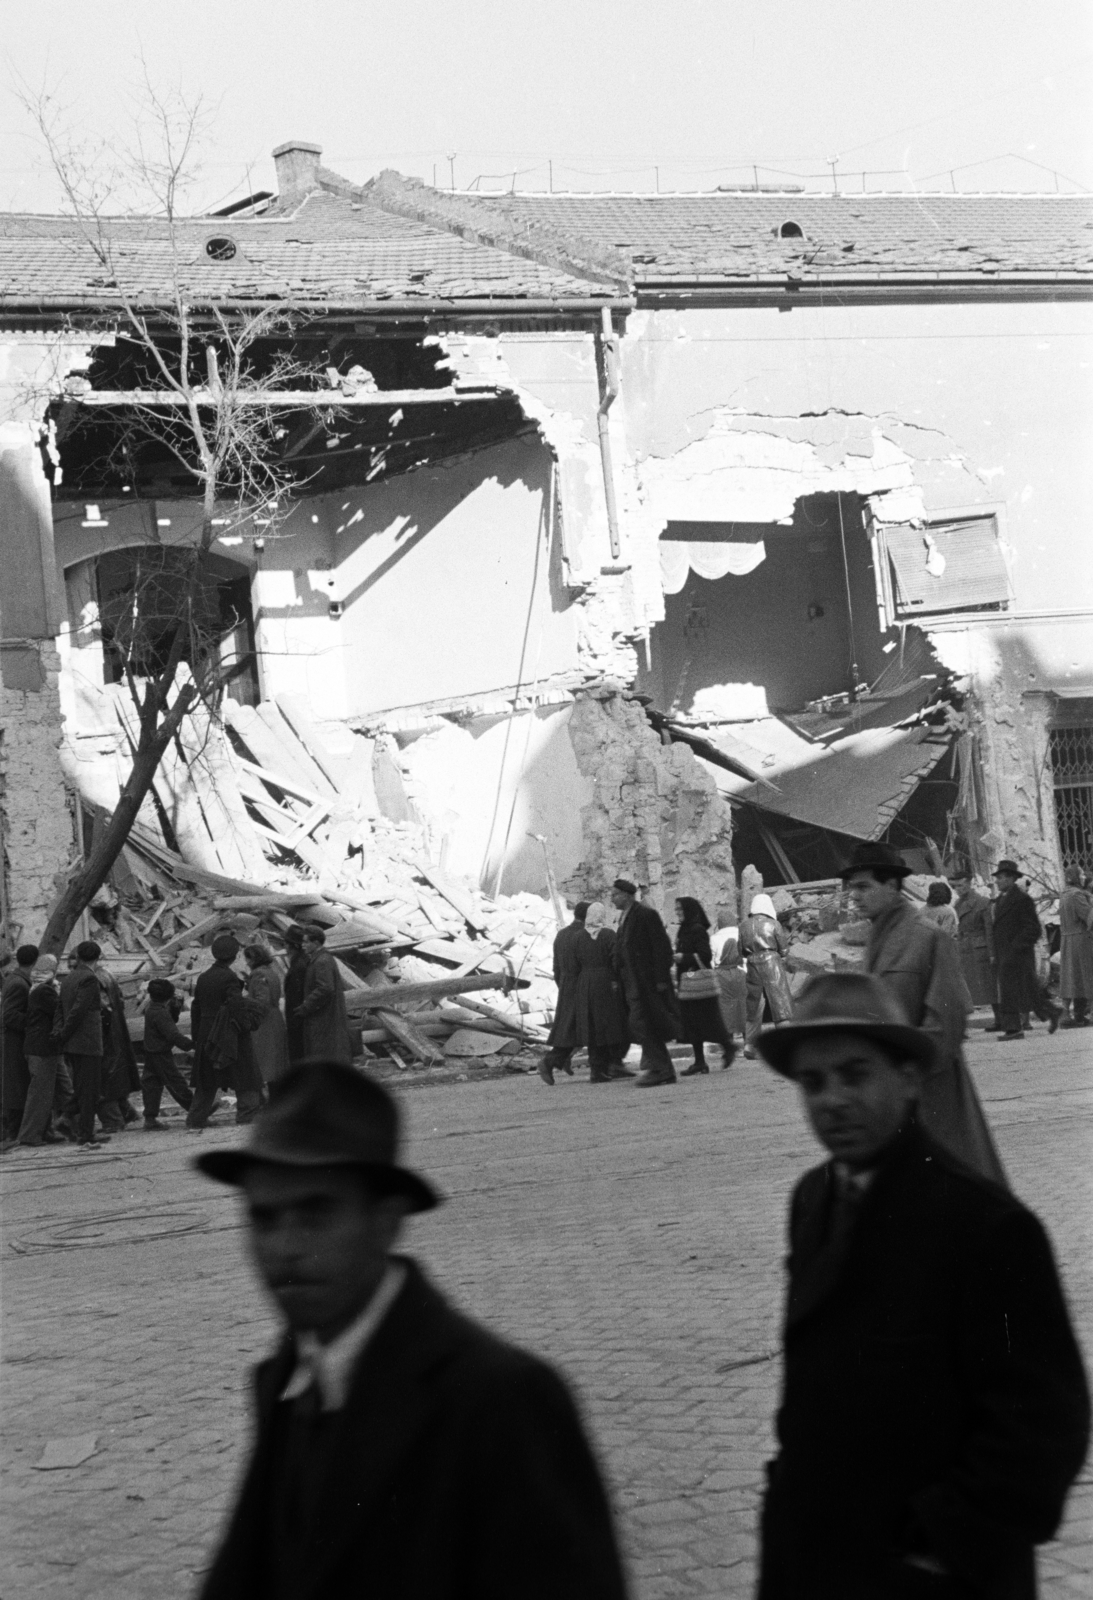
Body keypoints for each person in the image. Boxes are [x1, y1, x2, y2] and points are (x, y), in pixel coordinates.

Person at [193, 1063, 629, 1600]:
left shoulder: (499, 1399)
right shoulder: (283, 1383)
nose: (285, 1248)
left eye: (317, 1213)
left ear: (388, 1220)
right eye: (263, 1218)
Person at [754, 972, 1090, 1600]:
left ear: (908, 1077)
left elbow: (1044, 1424)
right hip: (818, 1557)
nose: (831, 1100)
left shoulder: (985, 1226)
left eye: (855, 1075)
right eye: (813, 1082)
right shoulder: (814, 1200)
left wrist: (935, 1543)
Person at [841, 841, 1006, 1186]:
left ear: (892, 885)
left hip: (933, 1100)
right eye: (850, 887)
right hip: (894, 1106)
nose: (853, 896)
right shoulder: (877, 940)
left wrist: (892, 1076)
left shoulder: (928, 937)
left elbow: (946, 1026)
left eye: (863, 886)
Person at [186, 934, 264, 1131]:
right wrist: (247, 1025)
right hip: (229, 1032)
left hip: (206, 1032)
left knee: (207, 1078)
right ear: (234, 955)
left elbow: (196, 1007)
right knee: (245, 1073)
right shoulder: (229, 977)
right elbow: (236, 1005)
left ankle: (196, 1118)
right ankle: (246, 1114)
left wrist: (197, 1036)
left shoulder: (203, 977)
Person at [611, 879, 680, 1087]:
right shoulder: (624, 918)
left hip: (646, 983)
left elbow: (662, 948)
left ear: (627, 895)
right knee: (642, 1025)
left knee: (643, 1025)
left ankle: (661, 1069)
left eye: (615, 895)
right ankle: (661, 1068)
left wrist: (659, 980)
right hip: (632, 984)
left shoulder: (645, 915)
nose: (612, 899)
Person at [991, 859, 1062, 1042]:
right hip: (1006, 954)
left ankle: (1014, 1029)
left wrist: (1015, 946)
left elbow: (1033, 929)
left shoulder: (1022, 900)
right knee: (1027, 991)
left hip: (1018, 955)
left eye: (1000, 877)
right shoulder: (1000, 900)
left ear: (1011, 878)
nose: (997, 881)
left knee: (1017, 991)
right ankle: (1052, 1012)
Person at [52, 939, 111, 1150]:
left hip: (73, 1043)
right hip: (87, 1041)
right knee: (90, 1090)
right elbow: (79, 1011)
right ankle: (86, 1134)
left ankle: (68, 1118)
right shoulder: (88, 978)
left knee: (83, 1086)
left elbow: (61, 1008)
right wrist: (65, 1032)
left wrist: (61, 1034)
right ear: (98, 957)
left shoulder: (69, 978)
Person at [673, 896, 736, 1075]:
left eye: (680, 909)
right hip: (688, 984)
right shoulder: (684, 930)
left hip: (700, 985)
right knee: (692, 1023)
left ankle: (728, 1046)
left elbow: (705, 955)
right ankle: (700, 1062)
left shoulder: (697, 929)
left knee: (710, 1021)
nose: (677, 913)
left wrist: (683, 957)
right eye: (676, 909)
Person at [573, 902, 632, 1082]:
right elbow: (617, 960)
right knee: (609, 1024)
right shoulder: (608, 935)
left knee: (592, 1025)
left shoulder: (577, 937)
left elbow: (575, 963)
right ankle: (612, 1063)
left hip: (586, 983)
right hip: (606, 983)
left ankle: (596, 1068)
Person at [13, 955, 67, 1146]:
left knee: (49, 1092)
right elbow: (60, 1010)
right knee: (40, 1095)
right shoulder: (45, 991)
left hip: (40, 1048)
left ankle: (48, 1131)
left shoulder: (36, 989)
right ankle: (30, 1135)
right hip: (42, 1049)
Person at [538, 903, 589, 1085]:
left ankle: (563, 1058)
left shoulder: (562, 934)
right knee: (576, 1025)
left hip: (566, 984)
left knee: (573, 1026)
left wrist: (562, 984)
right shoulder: (583, 935)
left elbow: (556, 967)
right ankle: (550, 1061)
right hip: (581, 984)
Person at [739, 894, 793, 1060]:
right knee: (780, 1004)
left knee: (754, 1005)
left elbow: (739, 950)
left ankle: (749, 1045)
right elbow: (783, 949)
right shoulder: (773, 924)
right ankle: (787, 1043)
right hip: (772, 963)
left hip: (752, 963)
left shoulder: (743, 926)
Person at [293, 928, 353, 1066]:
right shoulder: (321, 958)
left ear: (316, 942)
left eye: (306, 942)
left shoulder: (321, 961)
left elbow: (325, 988)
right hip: (324, 1015)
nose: (302, 945)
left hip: (323, 1016)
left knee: (323, 1050)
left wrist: (306, 1006)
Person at [140, 979, 195, 1129]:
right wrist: (191, 1044)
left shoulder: (152, 1009)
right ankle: (197, 1112)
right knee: (176, 1083)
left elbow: (169, 1024)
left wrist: (174, 1010)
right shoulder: (161, 1013)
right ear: (168, 996)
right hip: (161, 1053)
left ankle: (150, 1118)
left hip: (151, 1051)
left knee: (151, 1084)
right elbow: (173, 1034)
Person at [950, 869, 999, 1025]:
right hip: (966, 948)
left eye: (961, 885)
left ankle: (1001, 1018)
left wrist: (992, 953)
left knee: (989, 985)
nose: (958, 889)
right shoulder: (957, 904)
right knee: (975, 987)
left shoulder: (983, 902)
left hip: (980, 948)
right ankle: (998, 1019)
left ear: (969, 884)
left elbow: (989, 930)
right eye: (955, 886)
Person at [96, 961, 140, 1132]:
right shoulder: (107, 975)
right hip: (115, 1032)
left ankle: (113, 1120)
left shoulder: (95, 978)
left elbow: (103, 1008)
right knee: (114, 1078)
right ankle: (127, 1113)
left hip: (104, 1035)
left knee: (102, 1080)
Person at [1, 943, 38, 1147]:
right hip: (14, 1043)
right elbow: (9, 1015)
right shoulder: (18, 983)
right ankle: (11, 1133)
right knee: (16, 1088)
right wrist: (34, 1023)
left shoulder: (15, 979)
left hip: (15, 1041)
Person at [243, 943, 290, 1085]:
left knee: (265, 1060)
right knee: (275, 1060)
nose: (246, 963)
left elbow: (262, 1000)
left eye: (247, 959)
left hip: (264, 1022)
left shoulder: (258, 974)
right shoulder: (270, 972)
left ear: (252, 959)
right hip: (274, 1018)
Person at [1058, 864, 1093, 1027]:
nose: (1084, 877)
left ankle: (1070, 1014)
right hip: (1081, 940)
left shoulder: (1064, 894)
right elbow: (1088, 917)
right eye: (1081, 874)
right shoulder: (1078, 895)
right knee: (1087, 976)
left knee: (1070, 977)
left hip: (1067, 939)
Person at [282, 927, 310, 1069]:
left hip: (297, 1020)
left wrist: (293, 1022)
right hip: (301, 1018)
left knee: (298, 1058)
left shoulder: (298, 966)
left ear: (290, 945)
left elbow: (295, 997)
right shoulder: (303, 961)